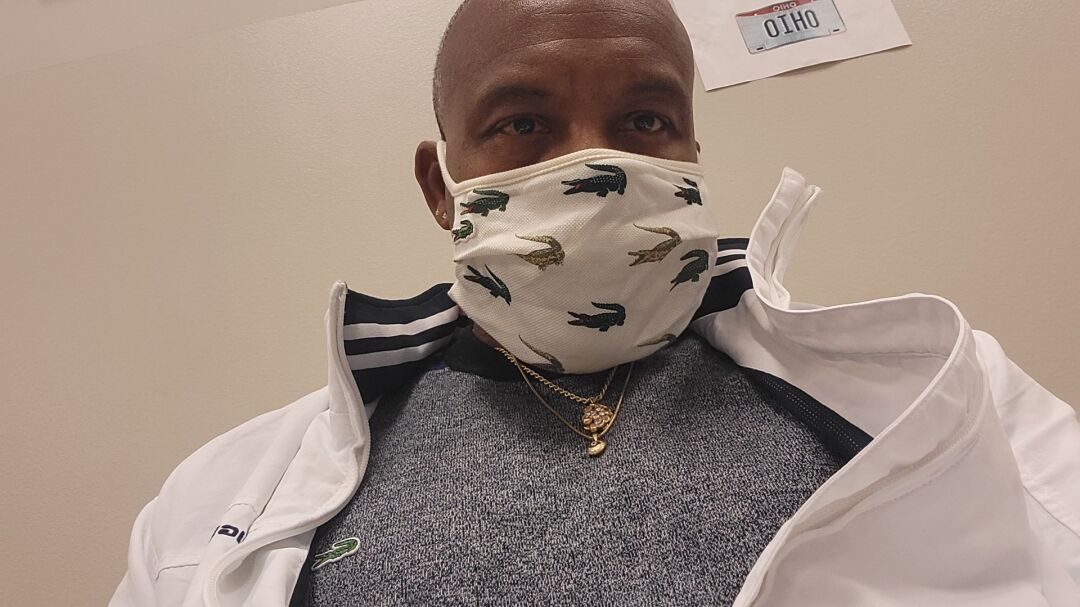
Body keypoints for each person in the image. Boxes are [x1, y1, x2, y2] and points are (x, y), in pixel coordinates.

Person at [110, 0, 1080, 605]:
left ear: (691, 157)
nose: (593, 163)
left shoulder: (946, 399)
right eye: (522, 122)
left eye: (644, 119)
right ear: (442, 186)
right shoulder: (220, 499)